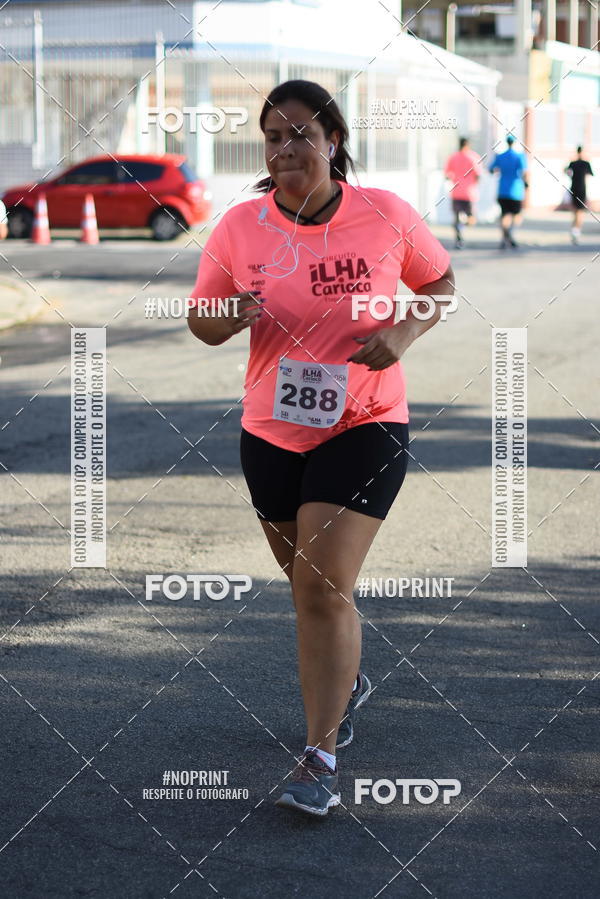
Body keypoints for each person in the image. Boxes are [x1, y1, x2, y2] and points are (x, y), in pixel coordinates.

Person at [187, 80, 455, 818]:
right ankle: (349, 675)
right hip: (271, 429)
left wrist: (402, 332)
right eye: (272, 137)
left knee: (319, 586)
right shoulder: (241, 226)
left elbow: (439, 282)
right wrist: (231, 313)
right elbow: (200, 321)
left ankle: (319, 756)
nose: (284, 148)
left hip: (365, 420)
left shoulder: (385, 214)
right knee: (306, 583)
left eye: (299, 133)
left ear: (332, 140)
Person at [488, 135, 528, 249]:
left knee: (504, 215)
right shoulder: (519, 156)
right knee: (517, 215)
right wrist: (526, 183)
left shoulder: (500, 156)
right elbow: (524, 172)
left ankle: (504, 237)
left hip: (502, 190)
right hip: (516, 190)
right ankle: (511, 233)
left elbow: (491, 169)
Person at [444, 136, 481, 249]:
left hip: (456, 191)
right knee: (472, 219)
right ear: (467, 145)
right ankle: (462, 227)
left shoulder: (453, 157)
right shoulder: (473, 157)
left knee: (456, 217)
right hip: (469, 193)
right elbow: (478, 174)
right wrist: (474, 184)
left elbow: (447, 174)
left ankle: (459, 236)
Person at [564, 146, 594, 244]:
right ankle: (576, 232)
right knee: (579, 212)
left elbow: (567, 172)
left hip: (574, 188)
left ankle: (574, 231)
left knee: (575, 212)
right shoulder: (586, 163)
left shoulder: (573, 163)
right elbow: (591, 174)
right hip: (581, 190)